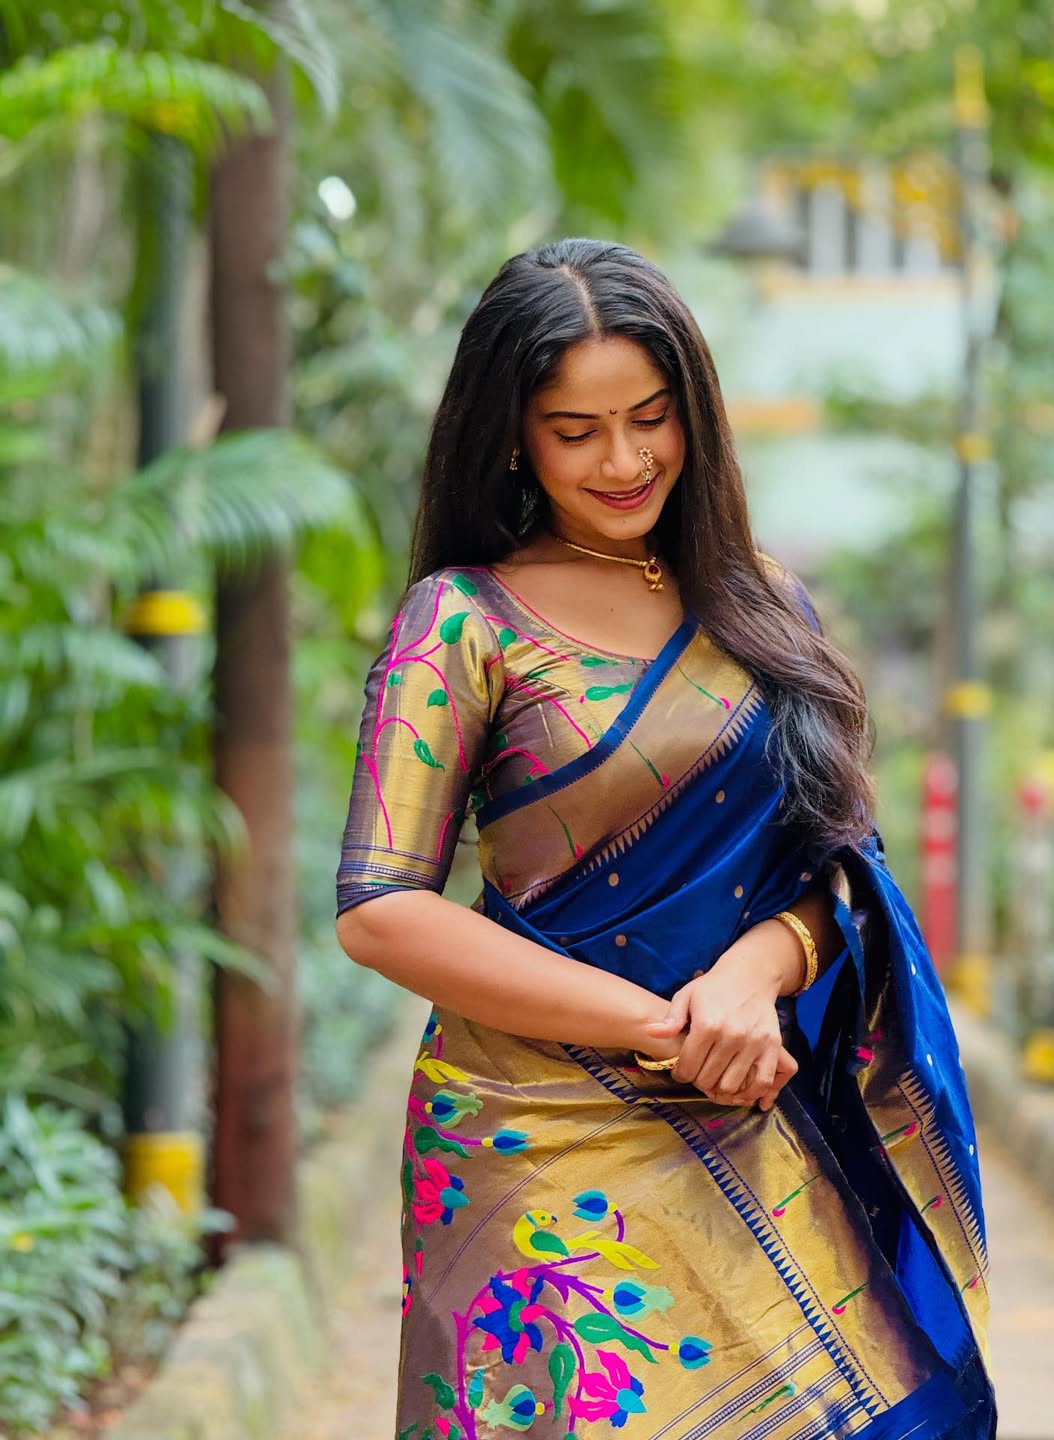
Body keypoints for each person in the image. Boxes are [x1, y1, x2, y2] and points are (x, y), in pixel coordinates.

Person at [335, 238, 995, 1438]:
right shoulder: (463, 623)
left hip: (753, 1107)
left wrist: (754, 974)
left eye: (650, 416)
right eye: (575, 428)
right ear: (514, 435)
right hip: (529, 1135)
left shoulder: (765, 609)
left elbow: (845, 873)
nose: (625, 459)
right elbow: (382, 906)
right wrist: (665, 1026)